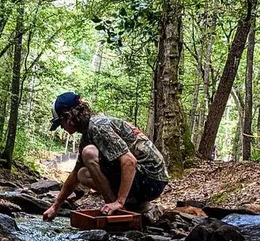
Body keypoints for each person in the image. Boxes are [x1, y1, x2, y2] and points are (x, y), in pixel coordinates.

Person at [43, 92, 168, 220]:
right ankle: (135, 204)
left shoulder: (98, 126)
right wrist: (55, 206)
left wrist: (118, 202)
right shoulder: (88, 133)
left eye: (60, 123)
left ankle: (118, 208)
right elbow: (74, 175)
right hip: (148, 179)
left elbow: (129, 161)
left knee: (89, 153)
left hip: (151, 179)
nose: (61, 127)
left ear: (68, 116)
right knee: (82, 173)